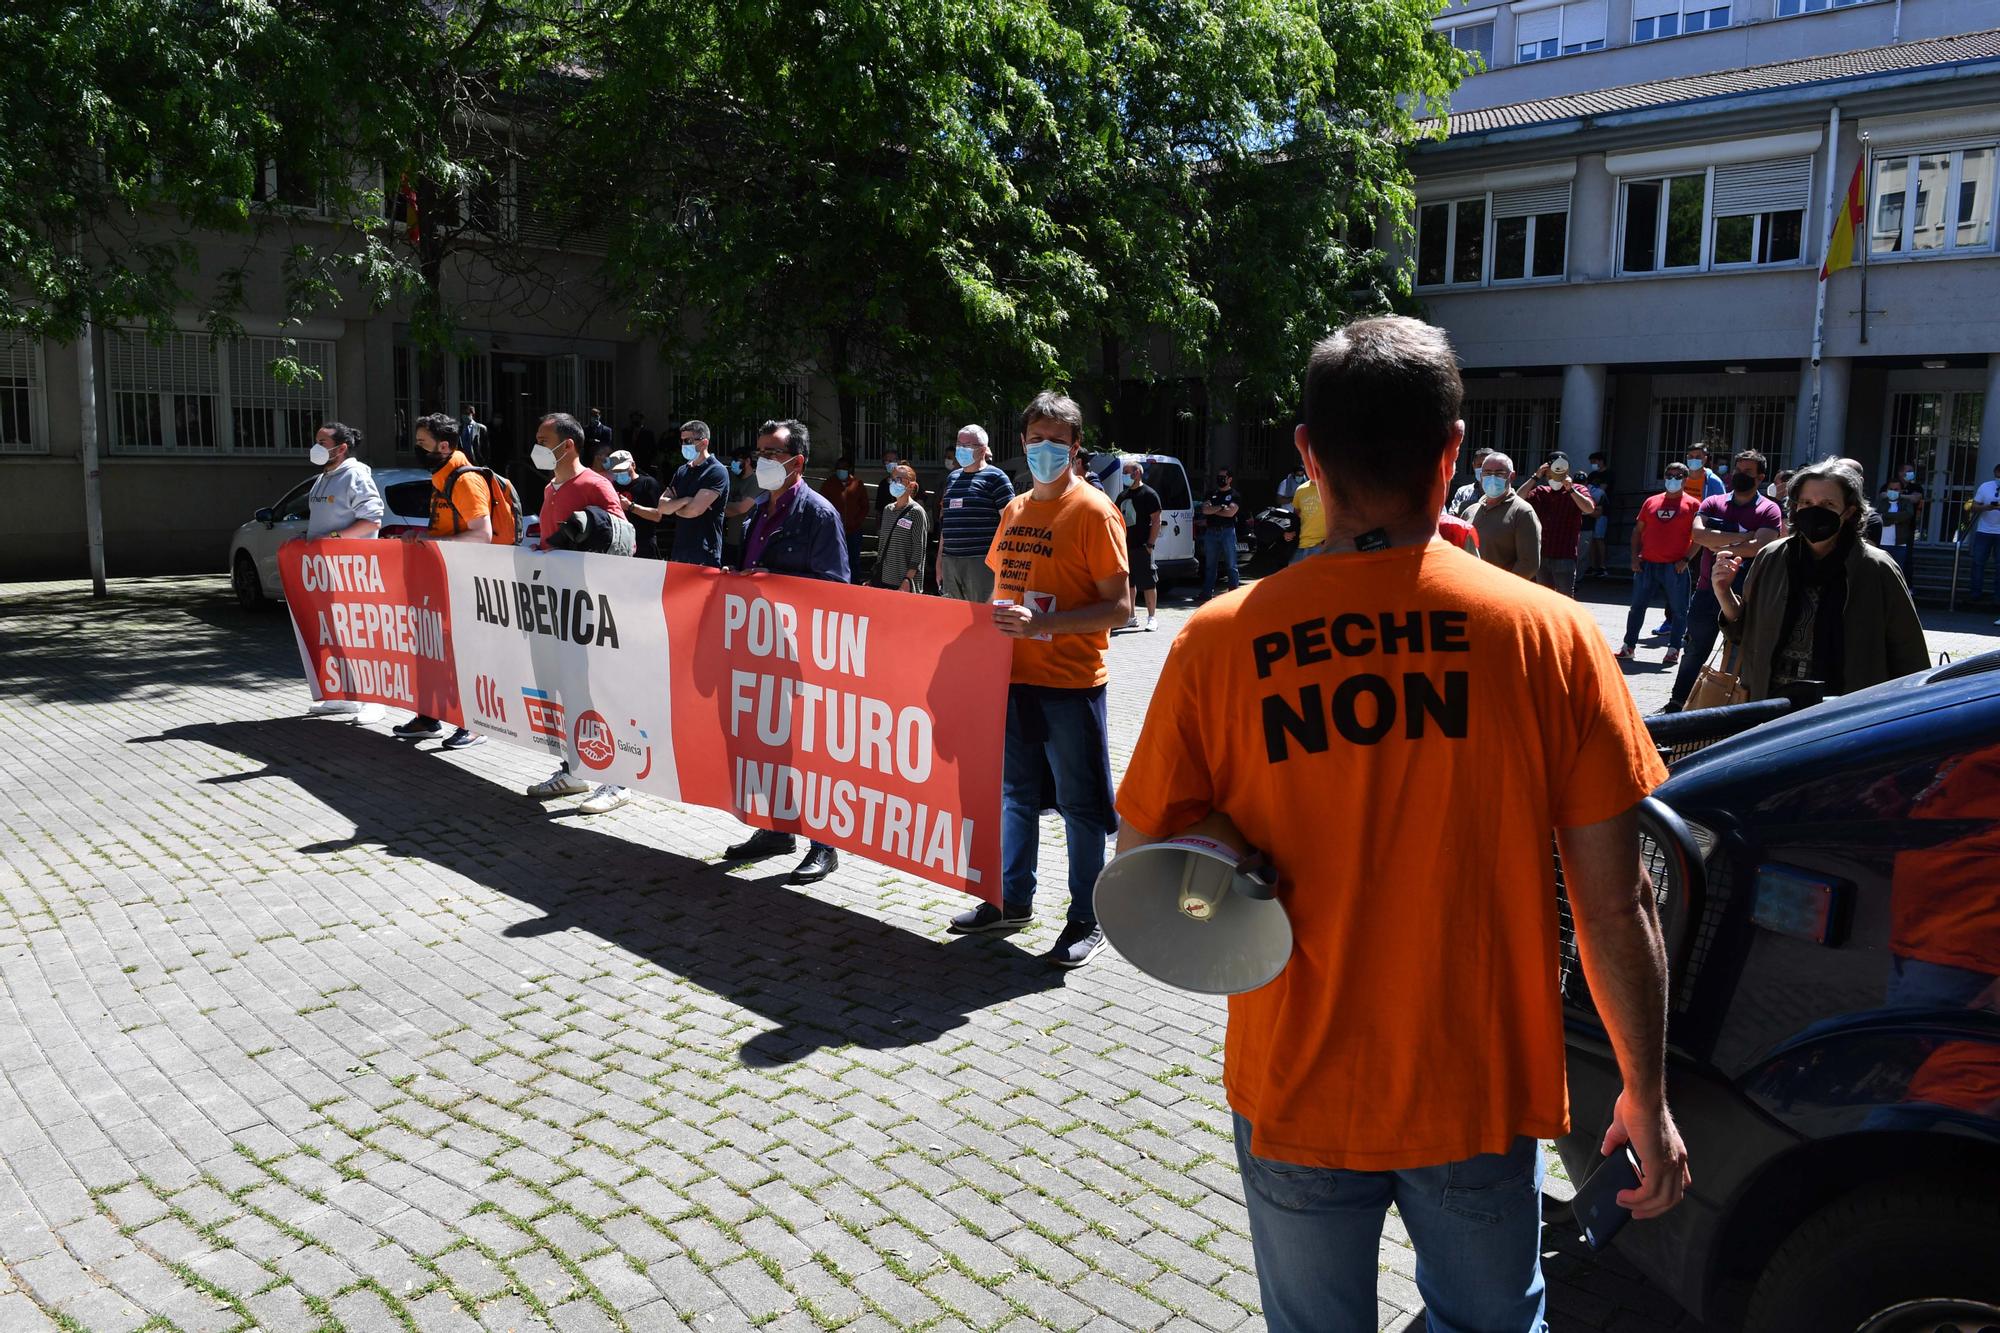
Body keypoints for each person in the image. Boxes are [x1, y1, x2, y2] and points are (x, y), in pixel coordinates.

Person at [1115, 316, 1688, 1331]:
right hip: (1473, 1086)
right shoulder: (1549, 635)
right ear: (1451, 451)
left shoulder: (1215, 641)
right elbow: (1615, 904)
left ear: (1305, 455)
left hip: (1294, 1078)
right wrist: (1641, 1090)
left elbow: (1144, 870)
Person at [948, 392, 1129, 969]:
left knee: (1080, 806)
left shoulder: (1095, 511)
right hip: (1013, 678)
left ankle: (1086, 918)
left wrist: (1044, 623)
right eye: (1034, 440)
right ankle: (1011, 901)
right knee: (1016, 797)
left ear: (1076, 449)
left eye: (1056, 441)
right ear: (1021, 443)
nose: (1043, 450)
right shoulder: (1016, 508)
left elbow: (1120, 608)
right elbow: (1002, 586)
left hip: (1072, 683)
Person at [722, 419, 850, 884]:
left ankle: (824, 846)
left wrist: (774, 587)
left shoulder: (818, 514)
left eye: (772, 454)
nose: (761, 461)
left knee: (806, 749)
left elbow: (836, 589)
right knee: (767, 742)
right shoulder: (760, 507)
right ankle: (776, 830)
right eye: (759, 452)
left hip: (802, 654)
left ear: (796, 461)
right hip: (761, 648)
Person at [1715, 457, 1928, 705]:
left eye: (1828, 503)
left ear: (1848, 511)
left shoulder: (1876, 567)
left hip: (1842, 713)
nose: (1815, 510)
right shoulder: (1772, 558)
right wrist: (1723, 591)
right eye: (1806, 502)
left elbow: (1909, 652)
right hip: (1769, 704)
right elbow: (1742, 631)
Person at [525, 412, 633, 814]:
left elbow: (624, 541)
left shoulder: (595, 484)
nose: (536, 444)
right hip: (561, 609)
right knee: (572, 691)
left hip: (594, 609)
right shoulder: (553, 487)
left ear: (566, 444)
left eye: (542, 437)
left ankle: (618, 778)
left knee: (602, 691)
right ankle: (575, 769)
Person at [393, 414, 495, 751]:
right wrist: (422, 535)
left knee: (462, 653)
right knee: (431, 647)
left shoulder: (464, 480)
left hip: (465, 579)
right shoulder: (443, 475)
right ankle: (428, 717)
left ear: (445, 445)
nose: (418, 450)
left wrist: (431, 544)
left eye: (422, 444)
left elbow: (483, 534)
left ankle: (475, 724)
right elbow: (450, 529)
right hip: (442, 577)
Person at [1666, 450, 1782, 709]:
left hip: (1747, 595)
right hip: (1707, 592)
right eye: (1738, 470)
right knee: (1695, 649)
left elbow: (1760, 547)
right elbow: (1697, 535)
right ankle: (1677, 703)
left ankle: (1729, 707)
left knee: (1738, 655)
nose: (1741, 476)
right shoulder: (1713, 502)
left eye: (1748, 472)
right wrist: (1744, 537)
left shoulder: (1769, 509)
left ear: (1760, 477)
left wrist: (1716, 541)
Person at [304, 422, 385, 725]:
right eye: (316, 440)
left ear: (341, 448)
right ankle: (344, 696)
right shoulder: (323, 477)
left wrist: (334, 540)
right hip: (326, 571)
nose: (315, 447)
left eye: (322, 442)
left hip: (353, 570)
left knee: (360, 634)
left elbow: (372, 521)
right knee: (334, 633)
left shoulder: (355, 475)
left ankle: (374, 701)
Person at [1617, 463, 1698, 664]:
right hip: (1647, 565)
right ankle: (1629, 647)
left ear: (1686, 479)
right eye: (1669, 475)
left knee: (1679, 610)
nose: (1673, 479)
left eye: (1678, 476)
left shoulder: (1693, 505)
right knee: (1636, 607)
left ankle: (1673, 649)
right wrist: (1634, 558)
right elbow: (1637, 531)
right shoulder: (1651, 502)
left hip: (1675, 566)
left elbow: (1698, 537)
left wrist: (1686, 560)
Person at [935, 424, 1013, 603]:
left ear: (983, 450)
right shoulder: (952, 478)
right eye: (959, 444)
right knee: (953, 618)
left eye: (968, 445)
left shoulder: (996, 478)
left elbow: (1010, 523)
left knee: (981, 619)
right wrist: (940, 560)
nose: (961, 449)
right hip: (950, 561)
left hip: (981, 562)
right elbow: (946, 523)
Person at [640, 420, 730, 568]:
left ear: (704, 442)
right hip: (679, 552)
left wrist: (674, 506)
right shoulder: (682, 471)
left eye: (688, 441)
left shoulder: (716, 471)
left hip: (704, 555)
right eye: (682, 441)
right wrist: (687, 500)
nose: (684, 445)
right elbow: (662, 507)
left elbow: (693, 511)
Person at [1518, 454, 1596, 598]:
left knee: (1565, 598)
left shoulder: (1578, 489)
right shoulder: (1541, 491)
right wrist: (1535, 476)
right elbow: (1518, 498)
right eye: (1550, 474)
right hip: (1542, 554)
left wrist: (1571, 489)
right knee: (1544, 598)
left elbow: (1589, 508)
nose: (1554, 478)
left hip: (1564, 555)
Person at [1457, 451, 1540, 579]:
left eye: (1499, 473)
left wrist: (1501, 590)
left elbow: (1529, 564)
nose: (1492, 477)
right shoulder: (1470, 511)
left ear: (1512, 476)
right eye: (1487, 473)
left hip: (1500, 594)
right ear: (1481, 476)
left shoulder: (1522, 512)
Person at [873, 463, 928, 592]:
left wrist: (907, 580)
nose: (893, 483)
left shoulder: (917, 512)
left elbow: (918, 550)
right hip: (883, 580)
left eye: (898, 479)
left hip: (905, 584)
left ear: (911, 485)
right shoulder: (888, 510)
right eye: (892, 479)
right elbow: (882, 545)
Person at [1120, 463, 1163, 630]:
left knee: (1148, 582)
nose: (1124, 475)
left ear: (1137, 473)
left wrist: (1150, 544)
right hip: (1126, 547)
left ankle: (1152, 617)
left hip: (1143, 546)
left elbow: (1156, 521)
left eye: (1126, 472)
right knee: (1129, 584)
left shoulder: (1149, 494)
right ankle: (1131, 617)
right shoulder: (1123, 495)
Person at [818, 453, 871, 583]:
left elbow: (864, 506)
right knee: (835, 560)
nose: (841, 471)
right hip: (834, 531)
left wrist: (856, 522)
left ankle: (854, 586)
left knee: (854, 561)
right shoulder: (829, 484)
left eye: (844, 468)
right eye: (839, 468)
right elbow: (822, 505)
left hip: (854, 531)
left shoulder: (857, 484)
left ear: (849, 469)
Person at [603, 450, 665, 558]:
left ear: (633, 465)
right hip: (619, 545)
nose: (620, 474)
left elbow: (657, 516)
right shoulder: (611, 486)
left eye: (623, 470)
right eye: (616, 472)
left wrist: (631, 507)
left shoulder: (648, 483)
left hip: (644, 545)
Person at [1198, 469, 1242, 599]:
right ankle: (1206, 593)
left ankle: (1233, 594)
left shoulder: (1235, 495)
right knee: (1210, 565)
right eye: (1219, 477)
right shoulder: (1211, 493)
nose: (1220, 479)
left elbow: (1231, 513)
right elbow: (1205, 510)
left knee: (1231, 564)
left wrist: (1214, 509)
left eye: (1223, 477)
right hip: (1211, 532)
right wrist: (1222, 507)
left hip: (1227, 532)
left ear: (1230, 479)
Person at [1880, 463, 1926, 583]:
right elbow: (1882, 496)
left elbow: (1916, 499)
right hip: (1885, 533)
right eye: (1909, 471)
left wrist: (1897, 495)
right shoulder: (1887, 485)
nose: (1911, 473)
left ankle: (1907, 586)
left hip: (1907, 529)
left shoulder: (1916, 487)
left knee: (1906, 559)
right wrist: (1906, 496)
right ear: (1901, 473)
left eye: (1912, 471)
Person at [721, 443, 760, 569]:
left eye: (736, 460)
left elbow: (742, 508)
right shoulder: (731, 477)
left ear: (748, 461)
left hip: (742, 542)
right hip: (725, 540)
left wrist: (721, 508)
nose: (733, 463)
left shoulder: (755, 481)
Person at [1970, 462, 2000, 611]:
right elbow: (1974, 507)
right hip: (1984, 531)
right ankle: (1975, 594)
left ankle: (1998, 598)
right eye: (1997, 476)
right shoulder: (1985, 486)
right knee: (1978, 562)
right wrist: (1986, 507)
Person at [1583, 450, 1613, 577]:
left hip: (1602, 509)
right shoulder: (1592, 475)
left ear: (1601, 461)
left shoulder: (1608, 474)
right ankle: (1592, 565)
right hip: (1590, 509)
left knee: (1599, 538)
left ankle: (1602, 566)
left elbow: (1602, 490)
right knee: (1590, 539)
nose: (1592, 464)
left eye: (1594, 462)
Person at [1290, 472, 1325, 564]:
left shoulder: (1330, 488)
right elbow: (1296, 515)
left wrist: (1327, 542)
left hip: (1320, 545)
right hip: (1300, 545)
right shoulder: (1300, 489)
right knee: (1294, 577)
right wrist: (1291, 532)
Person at [1447, 445, 1494, 514]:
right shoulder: (1463, 492)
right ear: (1474, 466)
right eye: (1480, 465)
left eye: (1487, 465)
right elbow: (1451, 518)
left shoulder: (1502, 494)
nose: (1484, 469)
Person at [1685, 434, 1727, 499]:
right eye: (1691, 456)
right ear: (1687, 458)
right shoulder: (1679, 478)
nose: (1694, 459)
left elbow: (1721, 505)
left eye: (1698, 457)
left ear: (1705, 459)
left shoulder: (1714, 481)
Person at [875, 448, 903, 517]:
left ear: (899, 462)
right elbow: (879, 509)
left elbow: (919, 504)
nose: (890, 463)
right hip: (887, 524)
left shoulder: (909, 481)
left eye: (893, 460)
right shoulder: (883, 484)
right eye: (887, 461)